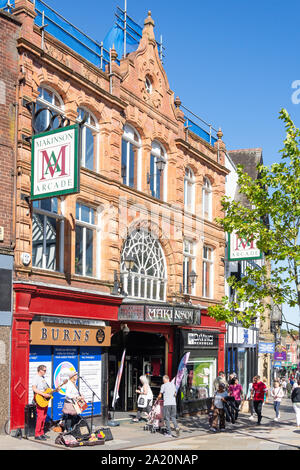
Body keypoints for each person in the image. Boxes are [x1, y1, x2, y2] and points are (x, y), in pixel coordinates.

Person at [32, 364, 52, 441]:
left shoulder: (43, 378)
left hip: (44, 399)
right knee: (40, 416)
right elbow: (34, 388)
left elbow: (46, 389)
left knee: (44, 416)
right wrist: (43, 394)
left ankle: (41, 433)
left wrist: (53, 390)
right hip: (39, 398)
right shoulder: (36, 378)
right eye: (44, 370)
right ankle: (37, 434)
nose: (45, 372)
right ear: (40, 370)